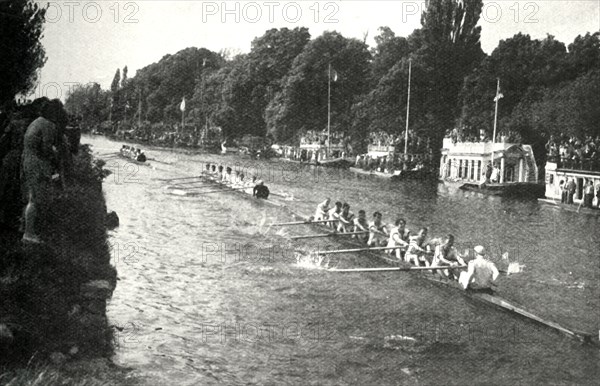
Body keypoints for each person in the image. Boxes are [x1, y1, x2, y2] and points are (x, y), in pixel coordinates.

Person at [21, 99, 63, 243]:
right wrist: (55, 152)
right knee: (36, 199)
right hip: (38, 163)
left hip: (27, 160)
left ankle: (26, 228)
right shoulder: (48, 125)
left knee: (31, 196)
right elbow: (46, 149)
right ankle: (29, 234)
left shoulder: (36, 121)